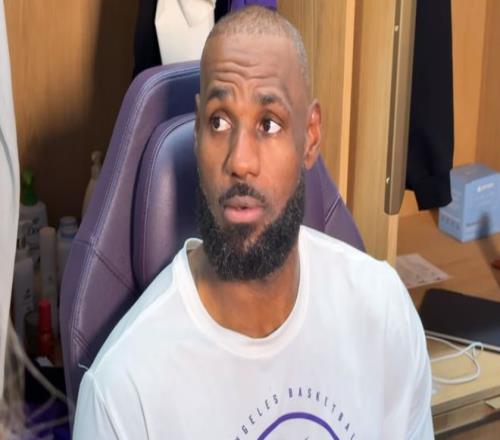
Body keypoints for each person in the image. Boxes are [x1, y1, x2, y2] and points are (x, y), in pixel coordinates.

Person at [73, 6, 433, 439]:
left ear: (310, 137)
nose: (240, 160)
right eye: (219, 121)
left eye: (269, 123)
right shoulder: (123, 392)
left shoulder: (384, 312)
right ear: (197, 132)